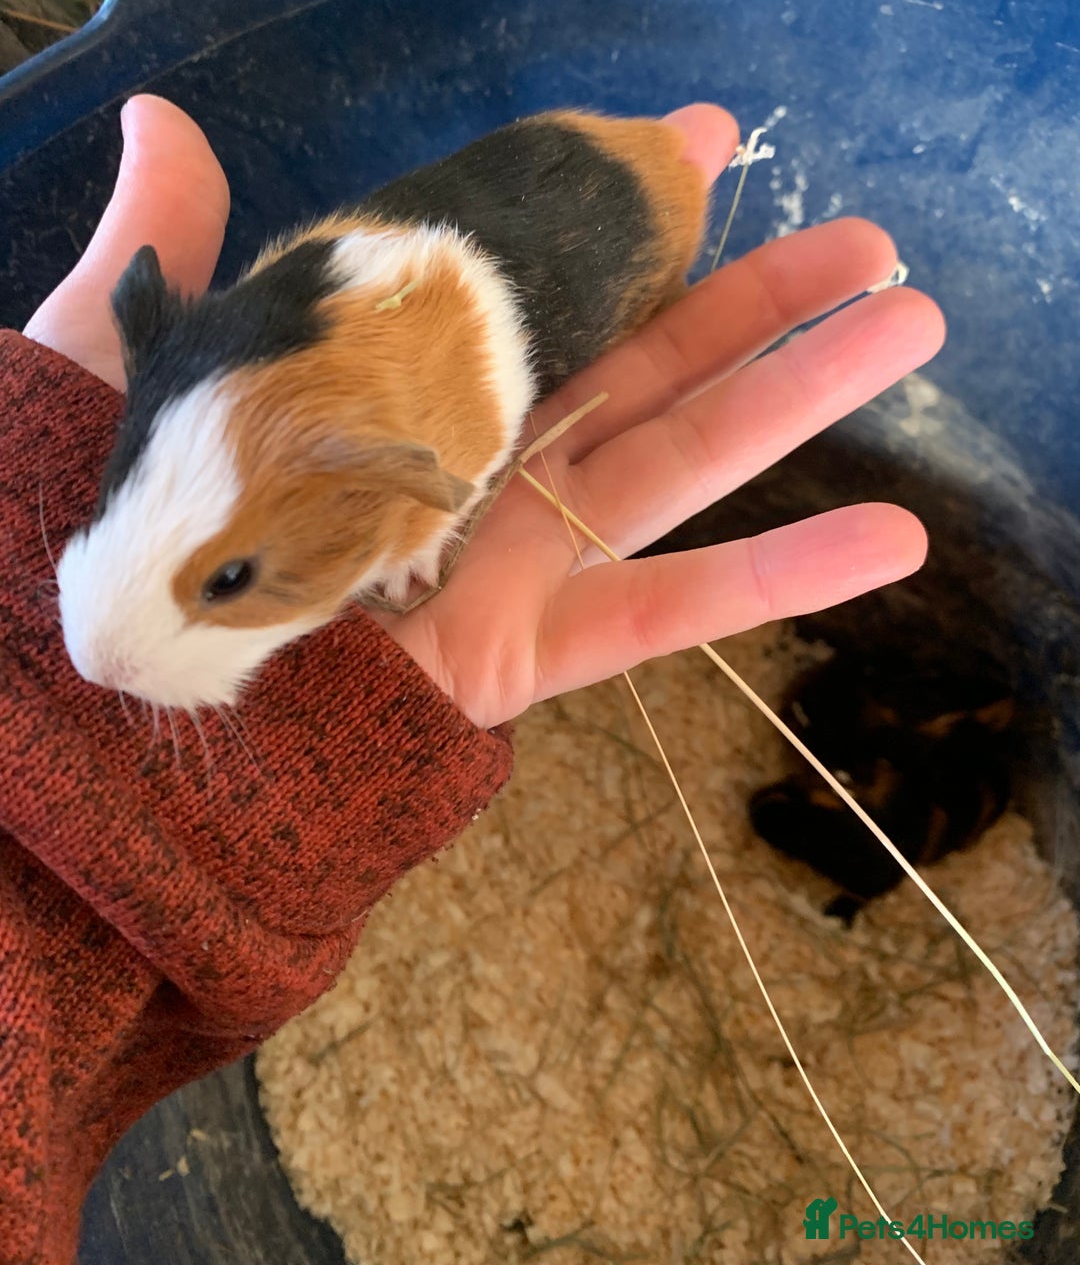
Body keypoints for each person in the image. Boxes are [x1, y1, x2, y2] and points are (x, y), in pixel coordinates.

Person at [0, 95, 944, 1265]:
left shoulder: (425, 442)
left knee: (669, 233)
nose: (101, 659)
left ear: (399, 487)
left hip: (605, 218)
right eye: (105, 505)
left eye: (229, 579)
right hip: (491, 227)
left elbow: (456, 443)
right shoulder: (238, 351)